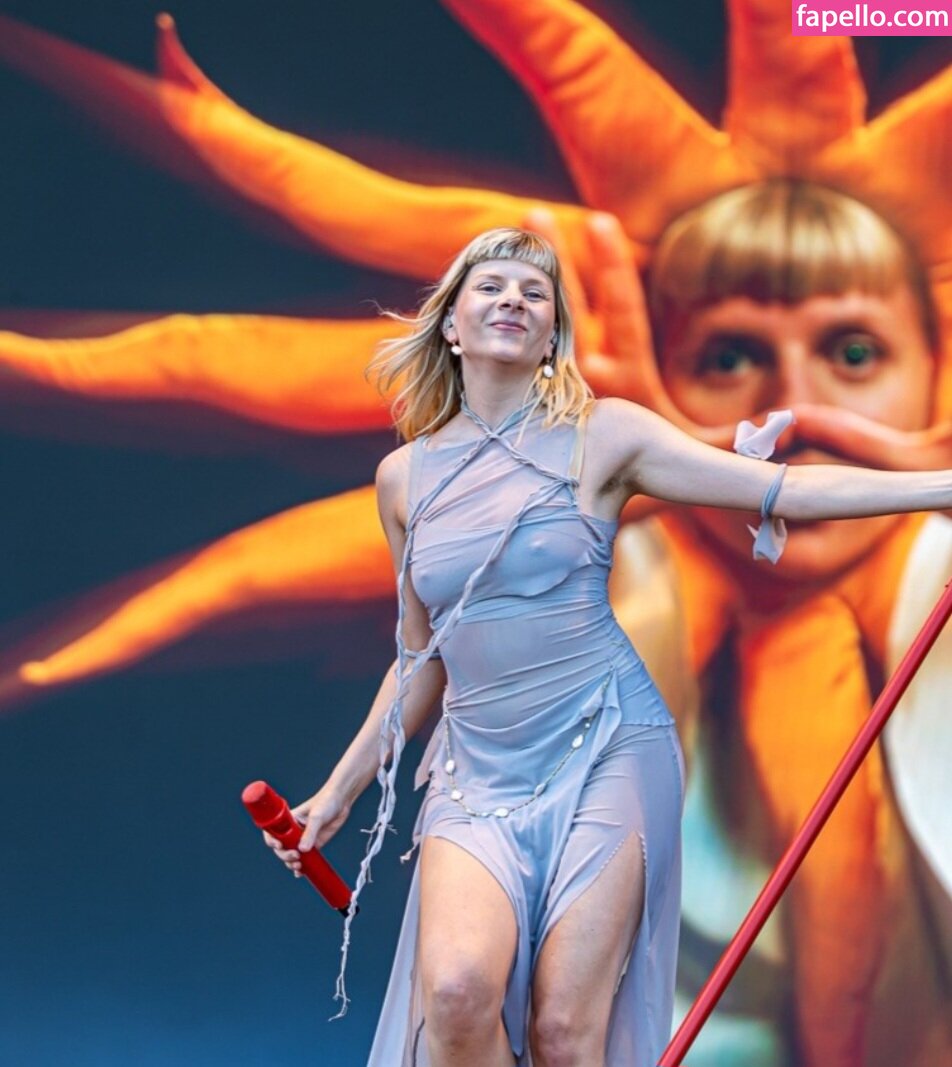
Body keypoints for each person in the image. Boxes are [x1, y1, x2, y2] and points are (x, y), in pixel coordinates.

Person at [263, 226, 951, 1067]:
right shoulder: (402, 480)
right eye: (492, 286)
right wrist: (336, 794)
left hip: (606, 748)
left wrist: (941, 485)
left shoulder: (606, 437)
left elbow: (785, 488)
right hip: (477, 772)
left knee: (564, 1031)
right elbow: (420, 657)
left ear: (552, 335)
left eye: (535, 293)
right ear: (451, 324)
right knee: (455, 994)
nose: (514, 300)